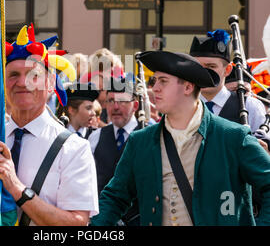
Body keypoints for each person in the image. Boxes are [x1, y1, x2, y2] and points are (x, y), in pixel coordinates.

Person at [90, 50, 270, 226]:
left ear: (188, 87)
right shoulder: (140, 141)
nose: (155, 88)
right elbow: (115, 197)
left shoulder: (233, 137)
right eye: (154, 80)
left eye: (163, 81)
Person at [0, 25, 98, 226]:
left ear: (51, 83)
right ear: (3, 83)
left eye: (34, 75)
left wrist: (16, 188)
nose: (23, 82)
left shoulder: (74, 149)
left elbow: (77, 223)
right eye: (13, 74)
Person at [189, 29, 266, 131]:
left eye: (211, 66)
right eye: (198, 66)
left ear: (227, 70)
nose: (203, 72)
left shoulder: (249, 106)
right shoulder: (180, 105)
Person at [88, 74, 140, 225]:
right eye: (110, 101)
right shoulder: (95, 137)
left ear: (135, 106)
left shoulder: (149, 137)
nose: (115, 107)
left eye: (122, 101)